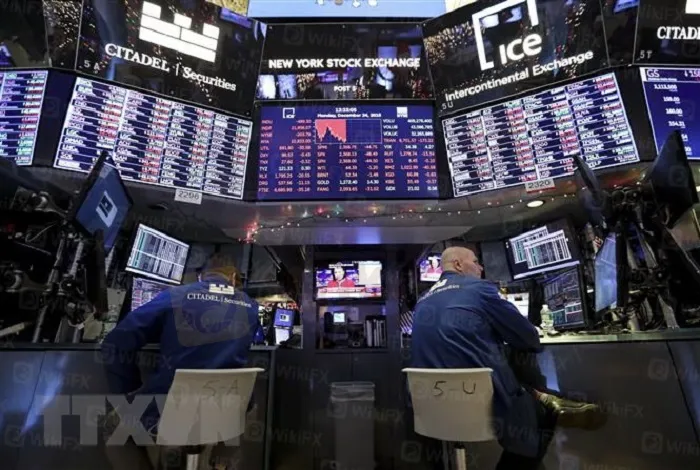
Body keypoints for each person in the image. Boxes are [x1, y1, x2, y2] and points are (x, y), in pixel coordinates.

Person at [411, 246, 603, 470]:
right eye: (476, 261)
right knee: (540, 418)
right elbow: (529, 339)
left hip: (434, 410)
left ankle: (541, 397)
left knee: (504, 367)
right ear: (458, 265)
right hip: (483, 406)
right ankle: (546, 403)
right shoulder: (479, 289)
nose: (481, 268)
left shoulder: (422, 301)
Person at [100, 257, 260, 470]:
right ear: (232, 277)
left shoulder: (175, 295)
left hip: (171, 410)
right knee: (247, 408)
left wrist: (128, 393)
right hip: (224, 413)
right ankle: (219, 463)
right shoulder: (251, 306)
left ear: (201, 276)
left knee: (114, 426)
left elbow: (115, 343)